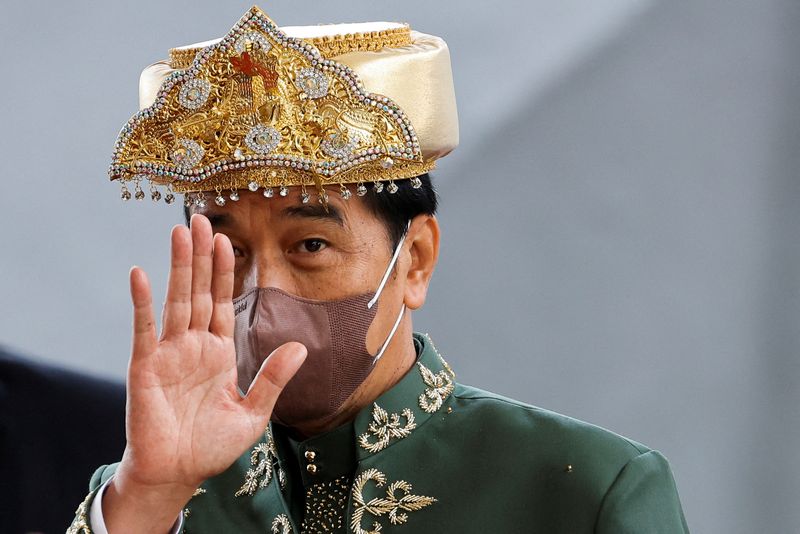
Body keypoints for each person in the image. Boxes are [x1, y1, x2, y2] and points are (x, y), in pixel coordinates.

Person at [68, 6, 689, 533]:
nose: (264, 293)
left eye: (310, 245)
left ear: (414, 258)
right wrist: (148, 494)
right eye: (231, 254)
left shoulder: (584, 489)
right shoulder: (155, 494)